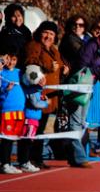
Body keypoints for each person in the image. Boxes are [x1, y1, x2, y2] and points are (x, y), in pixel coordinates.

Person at [23, 21, 70, 169]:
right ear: (39, 32)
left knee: (41, 128)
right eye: (45, 32)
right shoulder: (34, 45)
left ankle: (36, 158)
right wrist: (48, 67)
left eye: (51, 33)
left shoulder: (54, 49)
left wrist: (66, 68)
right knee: (34, 128)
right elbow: (29, 62)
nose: (48, 36)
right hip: (37, 95)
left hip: (50, 97)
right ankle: (29, 159)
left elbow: (60, 63)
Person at [0, 45, 36, 174]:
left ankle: (17, 162)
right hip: (6, 111)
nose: (11, 62)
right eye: (8, 59)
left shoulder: (20, 73)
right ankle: (5, 163)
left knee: (16, 137)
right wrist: (5, 90)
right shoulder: (1, 73)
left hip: (20, 111)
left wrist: (38, 87)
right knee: (7, 138)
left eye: (14, 59)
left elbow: (27, 88)